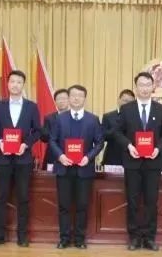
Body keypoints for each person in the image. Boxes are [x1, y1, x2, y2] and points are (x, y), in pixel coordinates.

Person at [113, 72, 162, 251]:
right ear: (136, 87)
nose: (145, 88)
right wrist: (129, 146)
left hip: (153, 163)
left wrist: (158, 148)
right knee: (132, 201)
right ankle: (134, 237)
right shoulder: (126, 109)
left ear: (153, 87)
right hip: (132, 162)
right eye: (141, 85)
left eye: (148, 85)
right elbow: (117, 132)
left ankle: (149, 237)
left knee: (151, 201)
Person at [0, 70, 41, 247]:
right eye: (12, 81)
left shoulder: (32, 107)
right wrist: (0, 143)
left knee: (23, 198)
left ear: (23, 85)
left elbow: (37, 131)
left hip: (23, 159)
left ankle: (22, 236)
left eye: (19, 82)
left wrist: (25, 144)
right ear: (8, 84)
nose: (15, 85)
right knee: (1, 197)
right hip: (3, 158)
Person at [49, 85, 104, 249]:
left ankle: (80, 239)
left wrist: (88, 157)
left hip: (84, 169)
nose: (76, 98)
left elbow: (99, 143)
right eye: (73, 95)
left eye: (80, 95)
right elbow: (52, 140)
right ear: (69, 98)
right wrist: (60, 156)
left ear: (84, 98)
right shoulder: (60, 118)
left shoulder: (93, 119)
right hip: (64, 168)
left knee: (82, 205)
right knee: (64, 206)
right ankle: (64, 238)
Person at [101, 89, 134, 167]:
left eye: (130, 102)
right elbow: (103, 136)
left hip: (131, 158)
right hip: (112, 158)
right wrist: (117, 129)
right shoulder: (108, 116)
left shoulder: (136, 118)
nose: (127, 104)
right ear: (119, 100)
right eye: (125, 100)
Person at [41, 88, 70, 170]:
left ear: (69, 100)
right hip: (52, 156)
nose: (61, 101)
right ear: (55, 101)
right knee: (49, 178)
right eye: (59, 99)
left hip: (70, 154)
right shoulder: (49, 118)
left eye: (64, 98)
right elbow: (44, 138)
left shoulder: (75, 117)